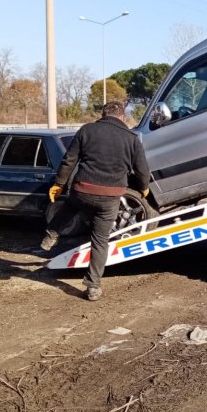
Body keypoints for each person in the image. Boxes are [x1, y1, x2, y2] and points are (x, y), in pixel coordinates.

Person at [40, 102, 150, 301]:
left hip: (83, 189)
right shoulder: (132, 139)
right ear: (123, 117)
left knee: (71, 205)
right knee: (100, 241)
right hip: (110, 197)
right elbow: (142, 168)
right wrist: (144, 186)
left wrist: (59, 184)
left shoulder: (86, 130)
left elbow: (69, 160)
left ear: (102, 114)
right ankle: (93, 287)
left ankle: (50, 235)